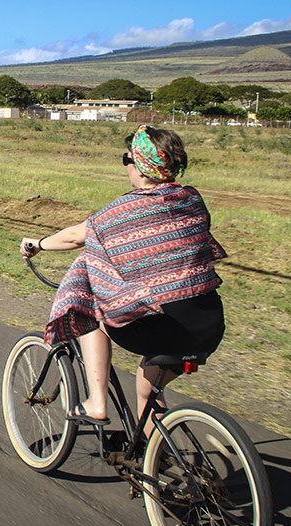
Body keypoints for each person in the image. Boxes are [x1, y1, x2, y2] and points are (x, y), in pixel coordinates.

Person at [19, 124, 227, 429]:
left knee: (92, 314)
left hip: (164, 326)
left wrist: (38, 244)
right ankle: (154, 450)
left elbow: (76, 237)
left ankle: (96, 403)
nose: (126, 165)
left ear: (141, 168)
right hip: (207, 324)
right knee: (148, 390)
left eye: (127, 159)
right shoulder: (191, 199)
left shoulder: (121, 211)